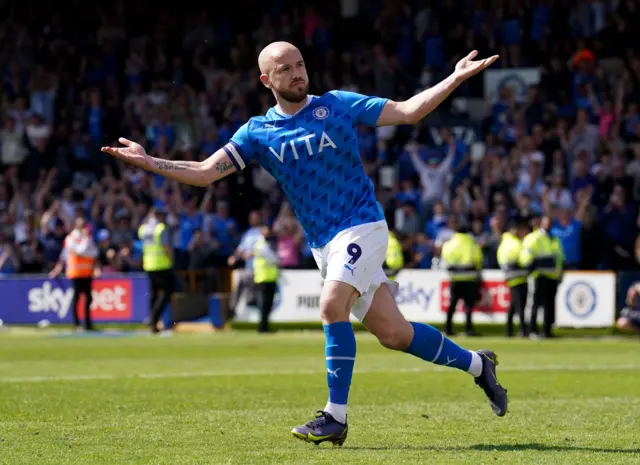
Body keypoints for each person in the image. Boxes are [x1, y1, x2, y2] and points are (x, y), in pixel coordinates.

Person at [101, 41, 505, 446]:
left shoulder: (337, 104)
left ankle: (335, 417)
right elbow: (206, 172)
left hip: (362, 225)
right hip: (323, 244)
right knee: (394, 334)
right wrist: (150, 162)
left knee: (332, 306)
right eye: (285, 69)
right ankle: (477, 365)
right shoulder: (258, 132)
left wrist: (454, 77)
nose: (297, 73)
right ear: (266, 80)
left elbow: (407, 111)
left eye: (300, 65)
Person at [49, 217, 99, 331]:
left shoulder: (87, 238)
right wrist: (87, 246)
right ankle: (76, 323)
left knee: (88, 298)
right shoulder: (71, 238)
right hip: (75, 272)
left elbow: (94, 253)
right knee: (76, 298)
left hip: (87, 272)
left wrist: (87, 248)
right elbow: (79, 251)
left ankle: (87, 323)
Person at [440, 218, 483, 336]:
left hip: (454, 278)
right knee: (469, 306)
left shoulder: (449, 243)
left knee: (452, 304)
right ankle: (469, 329)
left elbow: (445, 259)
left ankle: (447, 328)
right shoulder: (472, 242)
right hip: (469, 278)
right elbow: (478, 259)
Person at [138, 208, 175, 333]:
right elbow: (166, 246)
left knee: (153, 294)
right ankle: (153, 317)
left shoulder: (143, 229)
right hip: (162, 263)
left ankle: (152, 323)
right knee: (166, 292)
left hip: (148, 264)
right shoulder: (160, 228)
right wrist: (171, 258)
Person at [520, 215, 557, 339]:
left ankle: (547, 330)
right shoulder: (534, 238)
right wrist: (530, 266)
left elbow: (559, 256)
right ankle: (532, 330)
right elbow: (527, 255)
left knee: (549, 306)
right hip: (539, 275)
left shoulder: (553, 238)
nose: (549, 225)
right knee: (535, 304)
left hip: (552, 275)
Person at [497, 217, 530, 337]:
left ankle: (509, 330)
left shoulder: (505, 242)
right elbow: (523, 259)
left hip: (511, 276)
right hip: (518, 276)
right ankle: (522, 330)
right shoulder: (515, 243)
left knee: (513, 305)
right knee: (520, 305)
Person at [251, 223, 279, 333]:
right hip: (262, 278)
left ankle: (265, 326)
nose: (268, 233)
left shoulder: (269, 243)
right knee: (264, 305)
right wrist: (277, 260)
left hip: (270, 277)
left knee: (268, 305)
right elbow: (272, 259)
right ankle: (262, 327)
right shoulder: (260, 244)